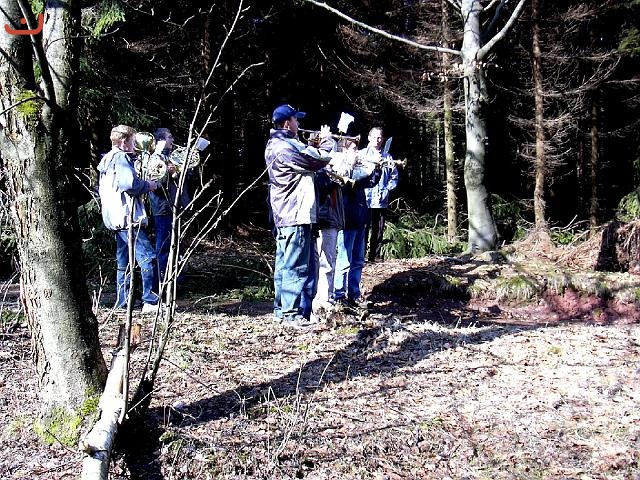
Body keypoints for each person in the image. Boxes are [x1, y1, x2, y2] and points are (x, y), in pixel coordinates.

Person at [265, 104, 335, 329]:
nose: (299, 124)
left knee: (284, 264)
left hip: (285, 215)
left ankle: (281, 311)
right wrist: (327, 141)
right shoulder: (286, 146)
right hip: (295, 214)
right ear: (287, 123)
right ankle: (291, 314)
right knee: (296, 266)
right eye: (296, 120)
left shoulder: (276, 144)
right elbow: (319, 159)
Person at [97, 125, 161, 313]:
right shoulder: (121, 158)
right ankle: (150, 301)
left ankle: (123, 302)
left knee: (123, 263)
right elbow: (130, 184)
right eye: (133, 141)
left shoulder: (107, 159)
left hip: (116, 218)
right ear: (124, 141)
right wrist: (148, 185)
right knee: (148, 258)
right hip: (128, 218)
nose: (135, 146)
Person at [310, 141, 355, 319]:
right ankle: (319, 301)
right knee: (323, 262)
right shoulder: (319, 169)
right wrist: (339, 170)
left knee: (329, 260)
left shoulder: (331, 169)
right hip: (323, 219)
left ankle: (326, 298)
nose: (332, 154)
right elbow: (324, 185)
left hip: (332, 219)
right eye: (329, 151)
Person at [333, 146, 381, 312]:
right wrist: (351, 164)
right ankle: (339, 295)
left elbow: (370, 182)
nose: (357, 153)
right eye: (353, 149)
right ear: (345, 151)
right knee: (344, 260)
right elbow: (344, 183)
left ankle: (354, 294)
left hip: (360, 219)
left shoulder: (360, 170)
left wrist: (377, 169)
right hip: (347, 220)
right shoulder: (340, 168)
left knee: (358, 260)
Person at [148, 128, 191, 286]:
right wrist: (167, 172)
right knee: (164, 247)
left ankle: (176, 280)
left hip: (175, 207)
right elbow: (155, 184)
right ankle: (161, 284)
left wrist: (177, 172)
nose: (172, 140)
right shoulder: (154, 159)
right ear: (160, 140)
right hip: (163, 209)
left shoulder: (170, 157)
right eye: (169, 137)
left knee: (177, 246)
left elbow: (181, 180)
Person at [363, 127, 399, 262]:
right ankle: (360, 257)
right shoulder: (362, 154)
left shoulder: (388, 157)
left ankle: (374, 256)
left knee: (378, 230)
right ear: (369, 137)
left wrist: (387, 190)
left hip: (381, 200)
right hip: (365, 199)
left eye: (380, 138)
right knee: (363, 229)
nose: (377, 140)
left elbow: (394, 177)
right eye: (375, 137)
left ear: (383, 139)